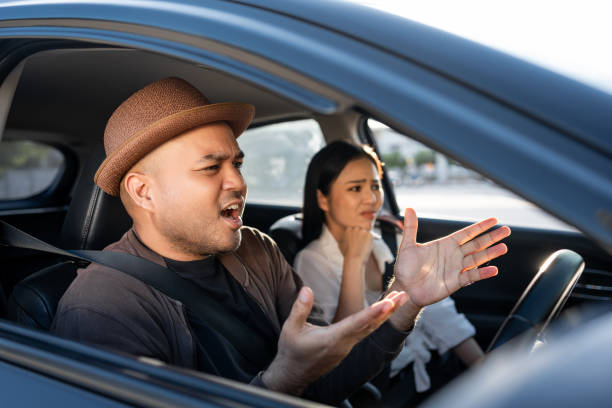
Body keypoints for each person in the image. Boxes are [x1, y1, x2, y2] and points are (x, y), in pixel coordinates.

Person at [51, 77, 511, 405]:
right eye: (212, 167)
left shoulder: (257, 249)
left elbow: (326, 380)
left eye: (238, 163)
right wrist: (281, 381)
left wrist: (405, 300)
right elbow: (297, 380)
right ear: (143, 191)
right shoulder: (102, 306)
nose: (237, 182)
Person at [294, 141, 494, 400]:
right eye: (356, 188)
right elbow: (343, 350)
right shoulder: (311, 261)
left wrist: (486, 373)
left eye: (375, 186)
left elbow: (441, 316)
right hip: (382, 392)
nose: (372, 199)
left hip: (429, 372)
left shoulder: (390, 238)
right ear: (323, 198)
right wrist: (354, 261)